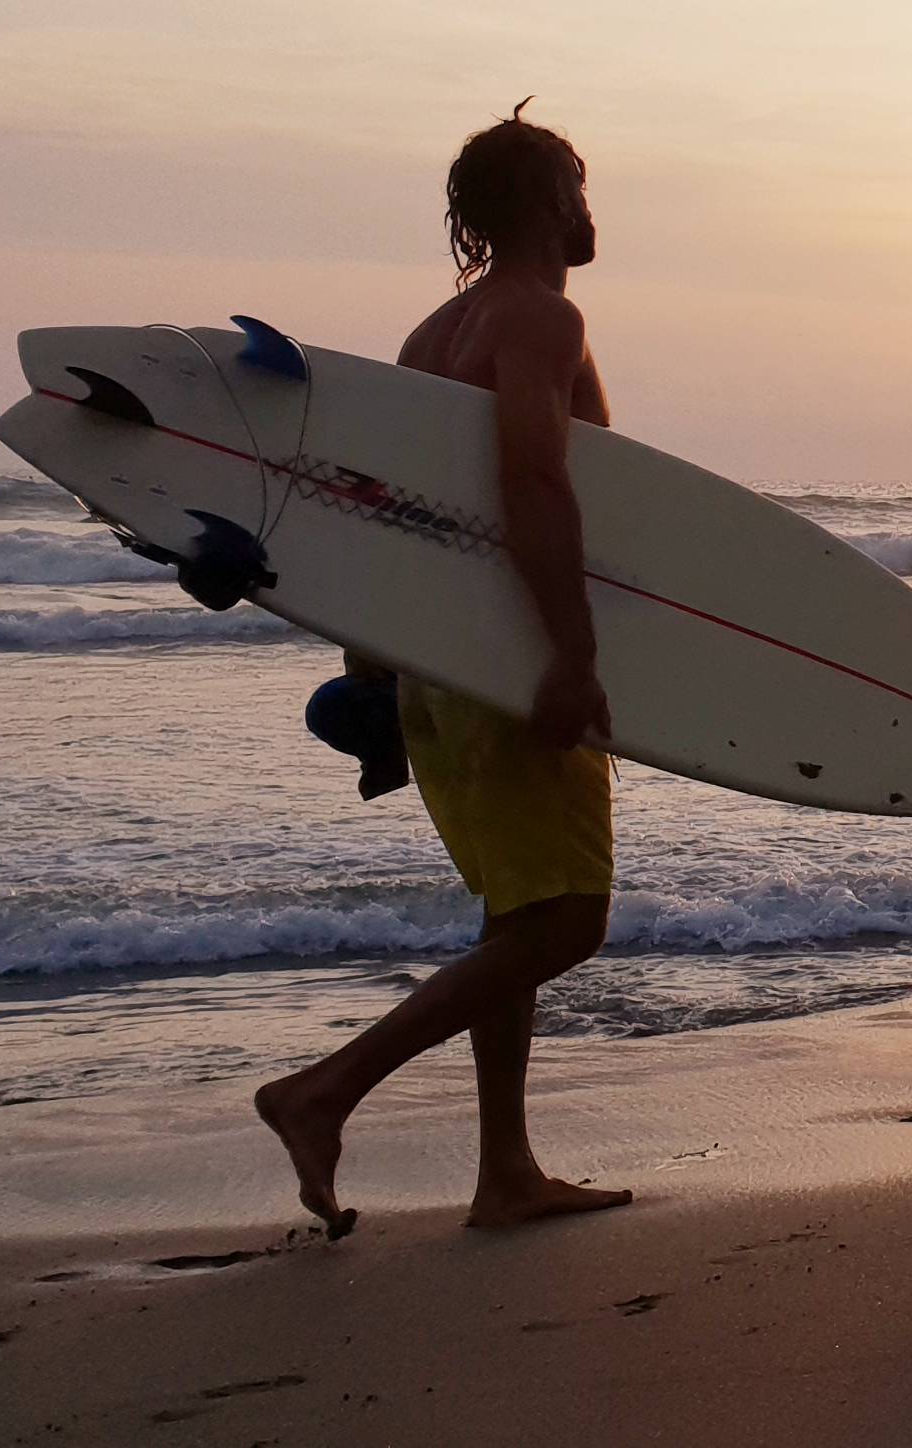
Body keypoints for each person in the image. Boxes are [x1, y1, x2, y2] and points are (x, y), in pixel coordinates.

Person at [255, 102, 628, 1236]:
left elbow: (384, 520)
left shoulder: (431, 335)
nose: (588, 204)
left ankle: (504, 1168)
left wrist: (377, 665)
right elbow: (535, 481)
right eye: (576, 183)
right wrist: (569, 650)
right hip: (506, 658)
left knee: (512, 914)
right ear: (544, 204)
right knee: (568, 921)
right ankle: (325, 1092)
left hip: (437, 667)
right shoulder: (538, 320)